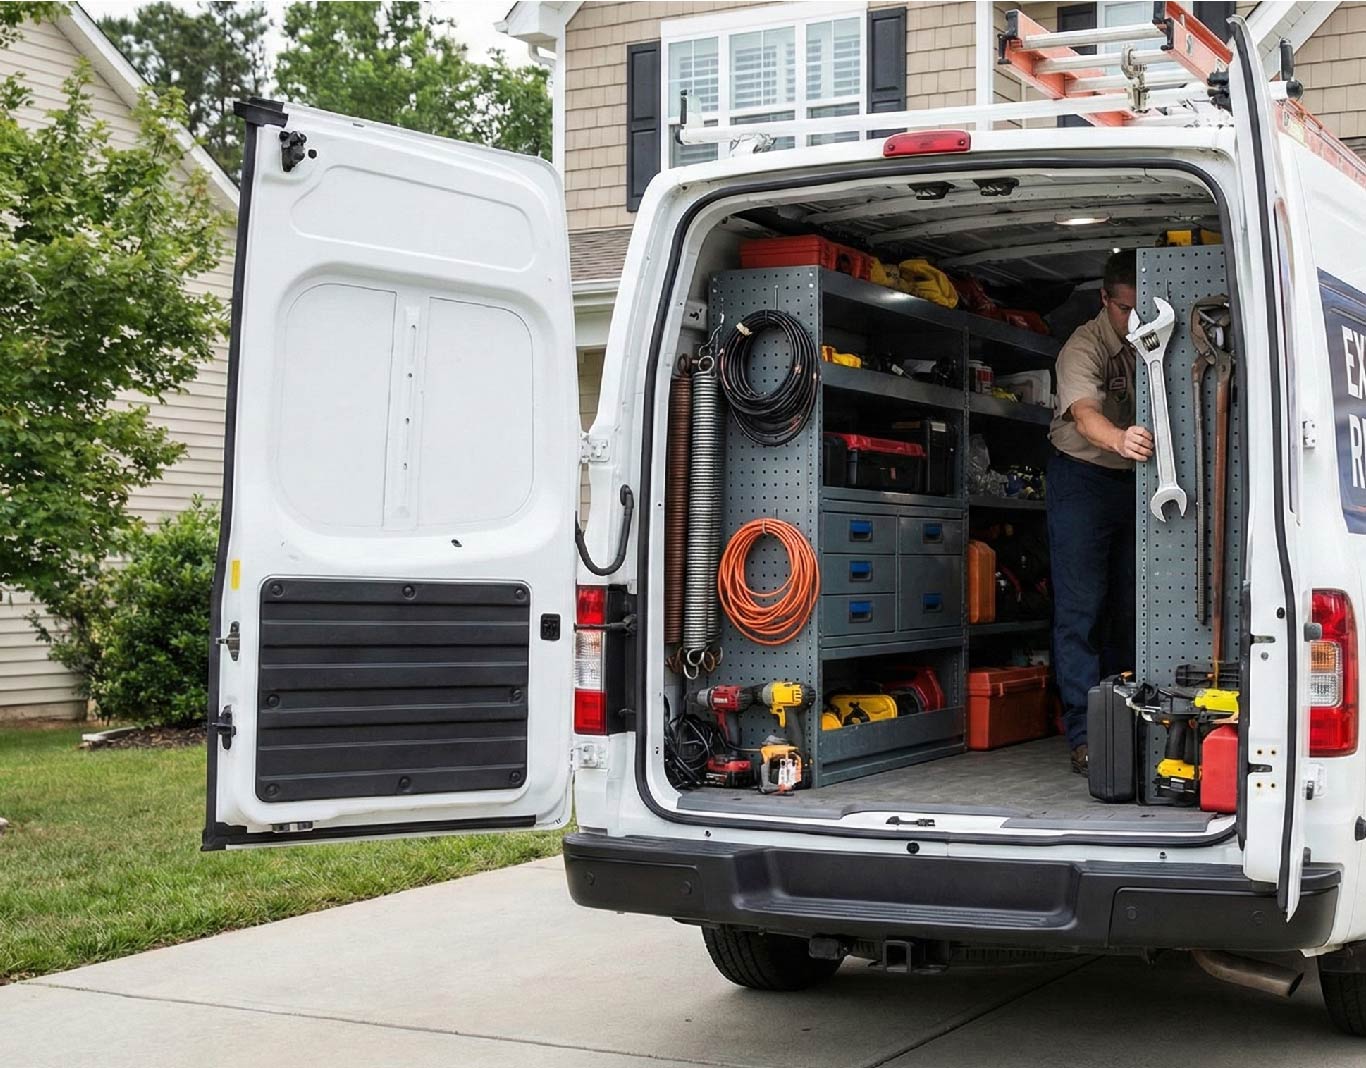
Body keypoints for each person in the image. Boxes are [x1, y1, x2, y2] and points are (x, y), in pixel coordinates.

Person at [1047, 250, 1152, 774]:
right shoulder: (1082, 347)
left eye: (1140, 310)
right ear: (1104, 299)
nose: (1132, 321)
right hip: (1082, 479)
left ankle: (1129, 724)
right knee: (1081, 610)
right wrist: (1121, 439)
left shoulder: (1154, 338)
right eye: (1123, 309)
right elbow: (1086, 416)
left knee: (1132, 608)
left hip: (1134, 484)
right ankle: (1086, 736)